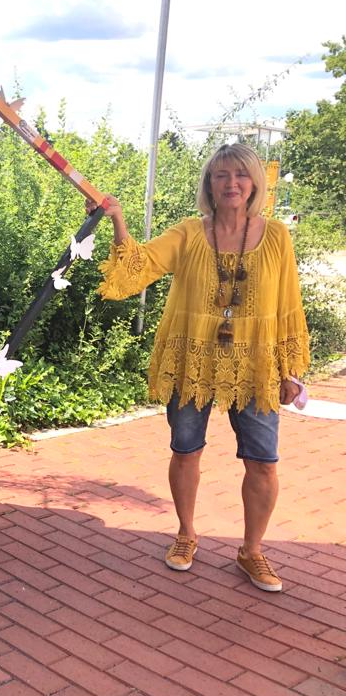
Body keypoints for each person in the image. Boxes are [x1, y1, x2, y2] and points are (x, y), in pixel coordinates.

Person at [91, 143, 309, 592]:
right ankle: (186, 534)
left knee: (264, 463)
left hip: (256, 365)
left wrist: (291, 370)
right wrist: (116, 218)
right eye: (221, 175)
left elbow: (289, 304)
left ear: (255, 183)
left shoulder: (277, 237)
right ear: (209, 183)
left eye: (241, 175)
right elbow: (139, 265)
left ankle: (251, 551)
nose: (231, 184)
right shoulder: (190, 233)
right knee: (186, 449)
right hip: (192, 360)